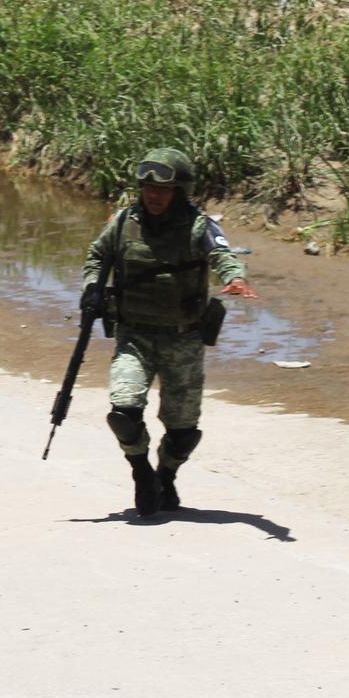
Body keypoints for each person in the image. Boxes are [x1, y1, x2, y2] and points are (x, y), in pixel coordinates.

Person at [82, 148, 258, 516]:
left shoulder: (199, 226)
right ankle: (141, 471)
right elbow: (98, 256)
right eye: (147, 187)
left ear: (180, 191)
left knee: (184, 431)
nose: (154, 195)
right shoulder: (123, 222)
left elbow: (222, 255)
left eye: (163, 189)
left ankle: (167, 474)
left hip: (184, 339)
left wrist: (235, 278)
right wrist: (92, 288)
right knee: (124, 411)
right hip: (135, 336)